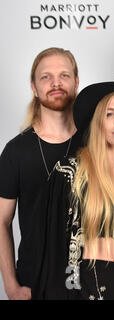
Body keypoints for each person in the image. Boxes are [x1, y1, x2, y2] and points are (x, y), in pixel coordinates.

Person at [31, 79, 114, 299]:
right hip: (83, 285)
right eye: (110, 114)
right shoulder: (70, 174)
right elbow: (50, 249)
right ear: (97, 122)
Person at [0, 47, 81, 300]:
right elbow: (2, 221)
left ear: (77, 83)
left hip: (87, 282)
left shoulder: (95, 144)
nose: (56, 83)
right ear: (34, 87)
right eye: (46, 77)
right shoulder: (16, 151)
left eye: (64, 75)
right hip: (33, 285)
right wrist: (11, 285)